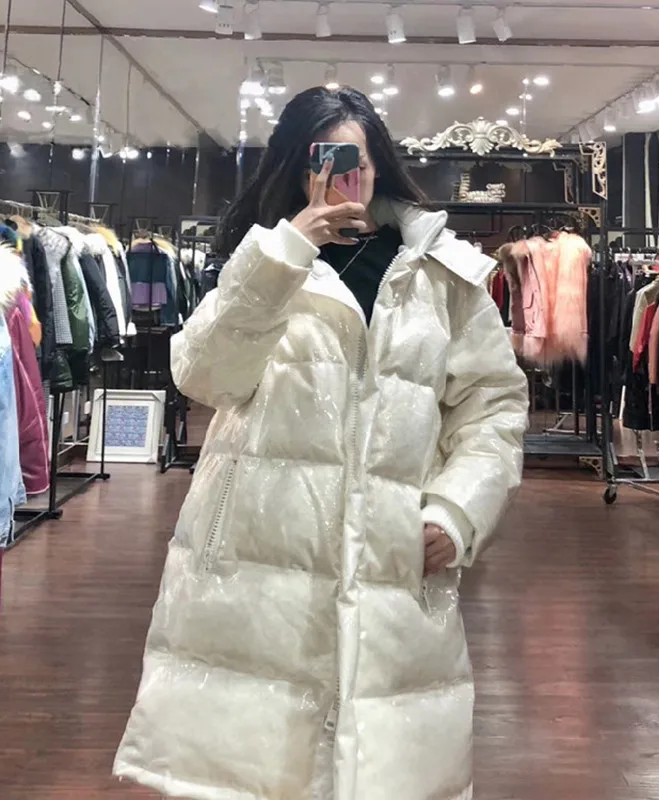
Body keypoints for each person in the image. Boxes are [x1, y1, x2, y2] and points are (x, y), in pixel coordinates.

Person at [114, 86, 528, 800]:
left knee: (381, 766)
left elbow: (492, 406)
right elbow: (204, 376)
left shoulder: (441, 274)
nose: (344, 176)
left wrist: (458, 510)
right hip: (257, 560)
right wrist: (289, 249)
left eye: (355, 161)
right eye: (325, 160)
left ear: (378, 165)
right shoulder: (264, 258)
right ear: (296, 166)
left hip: (393, 559)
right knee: (255, 767)